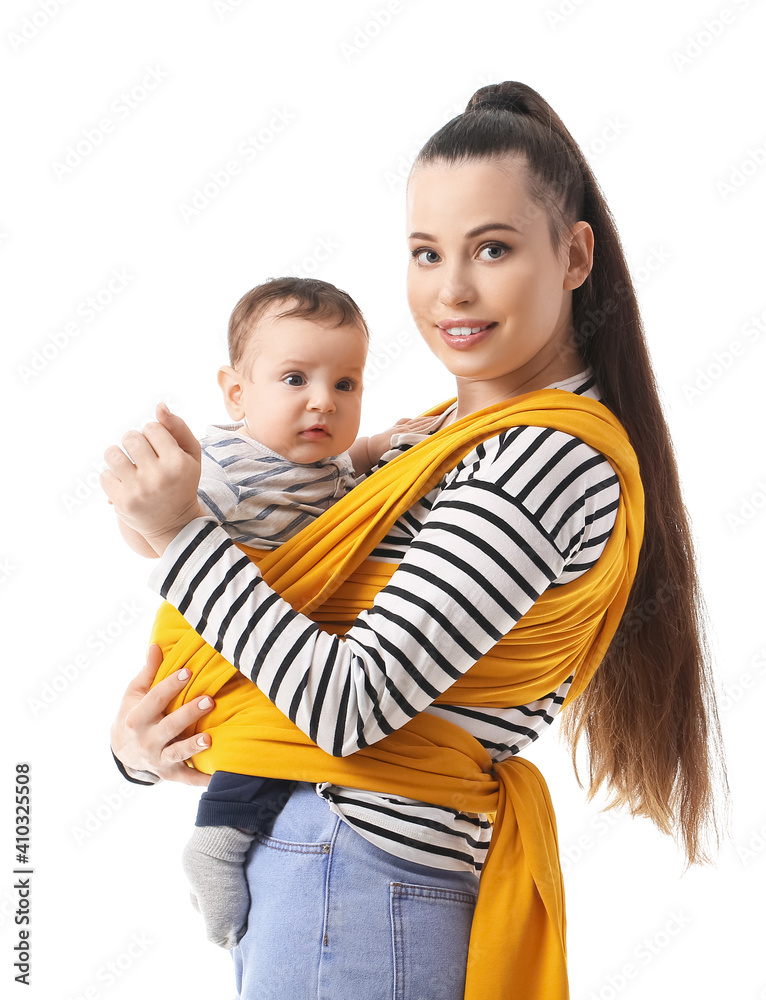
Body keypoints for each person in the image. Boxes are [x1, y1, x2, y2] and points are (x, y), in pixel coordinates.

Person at [103, 80, 727, 1000]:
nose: (452, 291)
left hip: (358, 867)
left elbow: (350, 703)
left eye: (493, 249)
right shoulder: (431, 437)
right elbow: (278, 621)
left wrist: (180, 537)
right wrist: (143, 745)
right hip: (322, 860)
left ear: (574, 254)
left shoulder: (537, 460)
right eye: (426, 253)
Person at [113, 273, 439, 949]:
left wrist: (388, 443)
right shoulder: (228, 463)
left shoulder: (323, 460)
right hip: (213, 632)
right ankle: (219, 838)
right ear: (237, 393)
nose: (323, 401)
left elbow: (351, 457)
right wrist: (151, 519)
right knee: (277, 727)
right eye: (295, 379)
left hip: (274, 624)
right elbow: (161, 532)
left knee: (297, 715)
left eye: (345, 384)